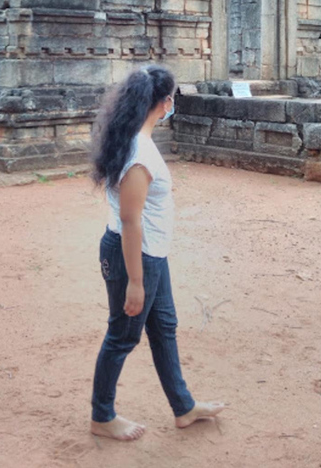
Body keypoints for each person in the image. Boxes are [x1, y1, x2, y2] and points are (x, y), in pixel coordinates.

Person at [90, 64, 225, 441]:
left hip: (151, 255)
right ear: (163, 103)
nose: (172, 105)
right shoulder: (140, 154)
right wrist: (135, 282)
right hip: (134, 257)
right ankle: (101, 415)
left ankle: (183, 407)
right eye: (172, 99)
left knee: (164, 327)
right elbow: (131, 221)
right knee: (122, 335)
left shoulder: (135, 141)